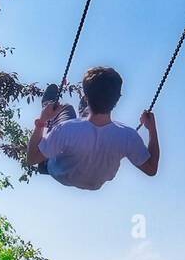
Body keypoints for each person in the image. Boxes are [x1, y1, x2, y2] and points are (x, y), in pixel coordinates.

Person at [26, 66, 160, 190]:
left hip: (59, 172)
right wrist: (152, 129)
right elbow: (151, 169)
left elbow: (32, 159)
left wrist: (42, 121)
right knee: (82, 124)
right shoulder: (128, 136)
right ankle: (86, 110)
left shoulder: (65, 129)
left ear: (86, 96)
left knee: (67, 109)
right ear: (118, 99)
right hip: (94, 184)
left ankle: (51, 106)